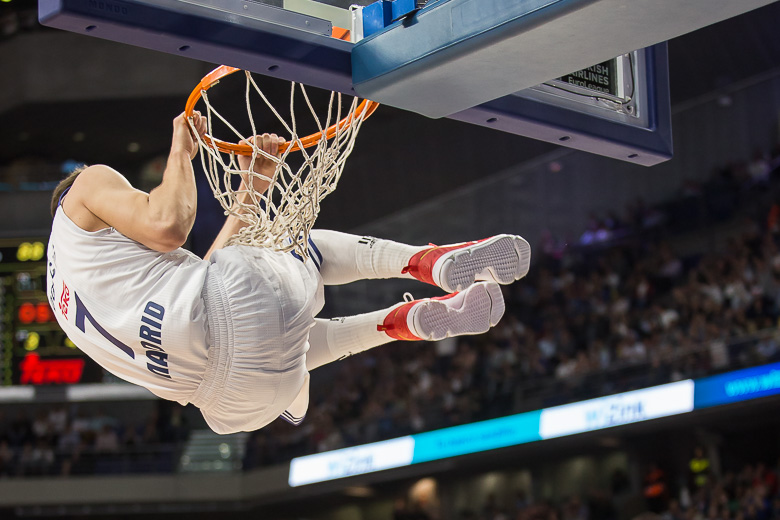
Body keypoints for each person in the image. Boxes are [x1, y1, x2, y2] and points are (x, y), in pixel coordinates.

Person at [46, 112, 531, 434]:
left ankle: (402, 323)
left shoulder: (66, 292)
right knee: (298, 244)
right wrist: (180, 156)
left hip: (238, 407)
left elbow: (206, 285)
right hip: (227, 318)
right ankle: (429, 262)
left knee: (280, 326)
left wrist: (251, 190)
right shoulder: (82, 190)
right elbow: (167, 224)